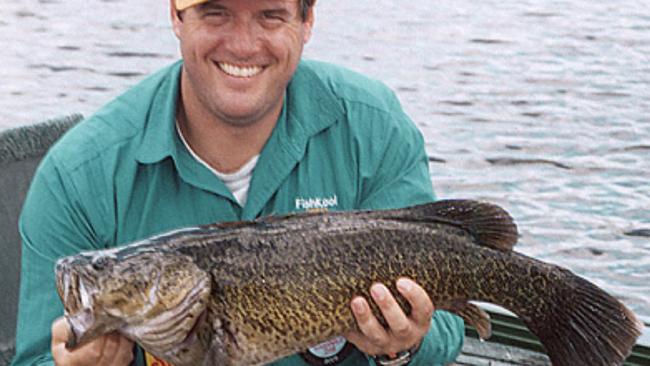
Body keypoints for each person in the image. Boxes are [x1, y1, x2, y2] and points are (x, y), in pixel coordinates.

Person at [12, 1, 465, 365]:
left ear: (306, 21)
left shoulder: (374, 129)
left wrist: (402, 348)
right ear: (175, 14)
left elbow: (448, 329)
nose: (244, 44)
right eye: (216, 12)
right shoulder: (78, 175)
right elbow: (35, 356)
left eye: (270, 15)